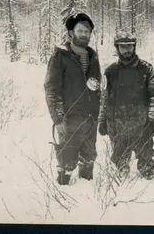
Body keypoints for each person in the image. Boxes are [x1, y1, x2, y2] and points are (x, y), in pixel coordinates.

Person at [44, 13, 101, 185]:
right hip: (69, 118)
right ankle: (62, 194)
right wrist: (58, 116)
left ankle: (87, 194)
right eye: (80, 31)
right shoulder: (60, 56)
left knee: (88, 159)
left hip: (90, 118)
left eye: (87, 31)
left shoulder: (93, 56)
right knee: (67, 161)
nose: (84, 34)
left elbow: (97, 85)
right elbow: (51, 87)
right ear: (71, 33)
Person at [97, 30, 154, 179]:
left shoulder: (147, 69)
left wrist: (152, 121)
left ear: (134, 47)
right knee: (121, 169)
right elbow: (104, 99)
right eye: (122, 46)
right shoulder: (110, 71)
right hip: (117, 129)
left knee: (147, 170)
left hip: (142, 128)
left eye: (130, 46)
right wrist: (102, 120)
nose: (126, 49)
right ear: (117, 48)